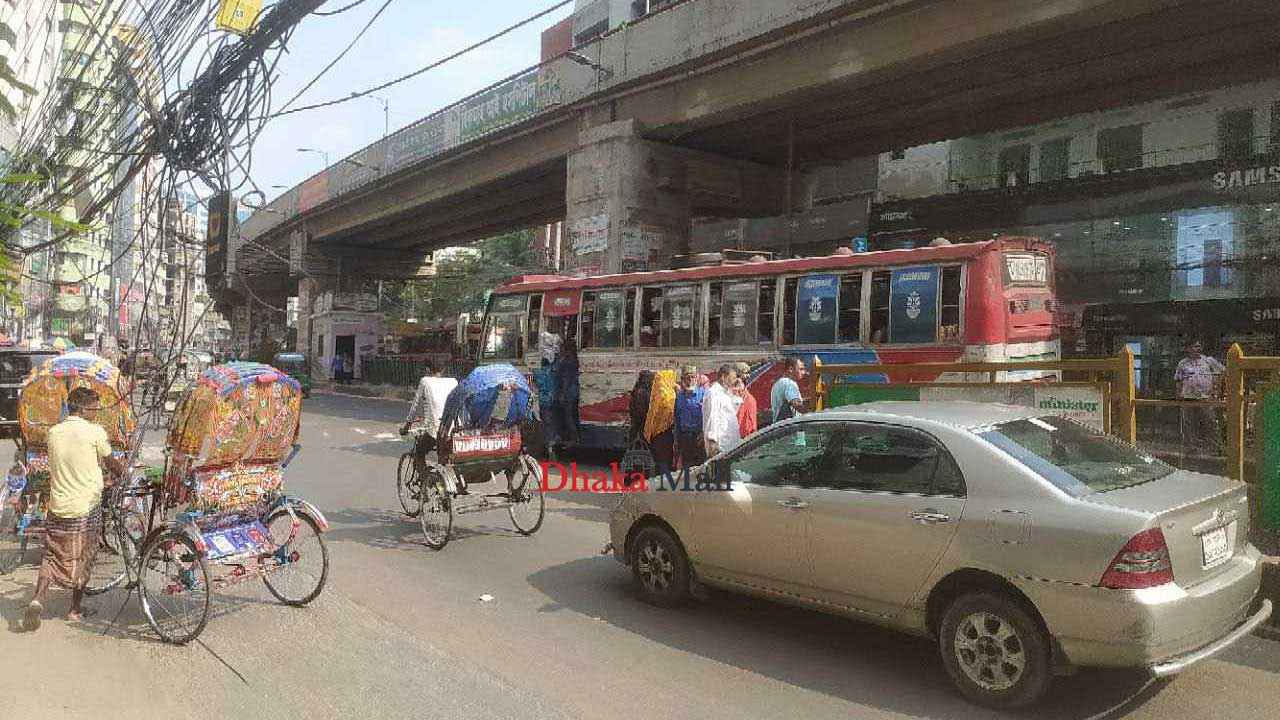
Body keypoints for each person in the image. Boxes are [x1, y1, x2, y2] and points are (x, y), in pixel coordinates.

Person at [22, 387, 126, 631]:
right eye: (94, 409)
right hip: (85, 507)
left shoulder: (54, 432)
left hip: (58, 506)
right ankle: (75, 610)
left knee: (52, 555)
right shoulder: (94, 432)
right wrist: (123, 473)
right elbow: (111, 462)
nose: (96, 413)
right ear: (83, 409)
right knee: (84, 556)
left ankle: (38, 599)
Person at [399, 361, 459, 471]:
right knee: (445, 453)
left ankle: (424, 477)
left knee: (419, 450)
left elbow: (415, 405)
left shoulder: (425, 381)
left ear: (428, 370)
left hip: (436, 431)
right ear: (444, 369)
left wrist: (406, 426)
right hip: (454, 430)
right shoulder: (453, 382)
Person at [1175, 340, 1224, 451]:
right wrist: (1178, 394)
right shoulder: (1182, 363)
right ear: (1188, 348)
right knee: (1188, 424)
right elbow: (1178, 379)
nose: (1196, 349)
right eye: (1194, 346)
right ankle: (1190, 448)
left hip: (1205, 398)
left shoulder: (1208, 361)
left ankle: (1216, 448)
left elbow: (1222, 371)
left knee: (1210, 422)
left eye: (1198, 346)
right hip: (1187, 398)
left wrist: (1217, 388)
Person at [703, 364, 742, 457]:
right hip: (720, 447)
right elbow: (712, 418)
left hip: (730, 444)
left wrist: (736, 392)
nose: (734, 381)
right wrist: (712, 442)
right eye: (733, 378)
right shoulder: (713, 393)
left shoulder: (726, 392)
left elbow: (732, 413)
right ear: (723, 377)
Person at [673, 365, 706, 467]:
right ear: (682, 379)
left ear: (697, 378)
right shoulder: (679, 397)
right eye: (687, 378)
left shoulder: (704, 394)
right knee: (687, 467)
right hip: (685, 438)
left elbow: (709, 417)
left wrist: (704, 433)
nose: (690, 380)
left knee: (701, 467)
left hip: (700, 437)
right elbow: (677, 420)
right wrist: (676, 441)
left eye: (693, 377)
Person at [554, 339, 581, 445]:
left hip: (568, 393)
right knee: (574, 415)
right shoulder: (574, 360)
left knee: (568, 416)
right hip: (575, 392)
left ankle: (573, 437)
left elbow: (566, 379)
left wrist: (563, 394)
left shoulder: (567, 361)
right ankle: (576, 436)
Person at [770, 357, 808, 423]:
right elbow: (796, 404)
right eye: (801, 369)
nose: (804, 372)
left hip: (780, 425)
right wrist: (811, 414)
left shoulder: (779, 382)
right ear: (791, 369)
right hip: (789, 426)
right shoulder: (789, 383)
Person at [733, 362, 758, 439]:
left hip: (749, 432)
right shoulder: (736, 392)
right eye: (745, 373)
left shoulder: (744, 392)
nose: (748, 375)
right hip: (742, 435)